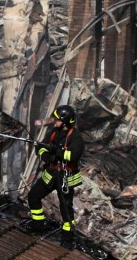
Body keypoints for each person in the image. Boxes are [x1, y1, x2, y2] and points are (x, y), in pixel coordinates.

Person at [27, 104, 85, 250]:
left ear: (66, 122)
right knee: (33, 196)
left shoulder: (76, 138)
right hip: (51, 174)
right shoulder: (54, 132)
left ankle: (67, 239)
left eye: (58, 119)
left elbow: (72, 156)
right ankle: (38, 225)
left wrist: (56, 151)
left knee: (66, 209)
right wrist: (45, 155)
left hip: (66, 176)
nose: (55, 121)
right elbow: (40, 147)